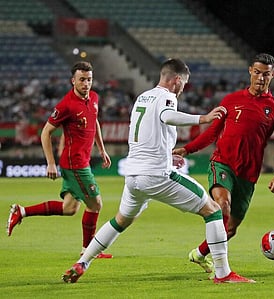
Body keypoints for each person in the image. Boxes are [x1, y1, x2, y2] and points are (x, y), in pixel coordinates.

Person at [62, 58, 254, 284]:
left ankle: (83, 261)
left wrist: (166, 154)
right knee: (213, 211)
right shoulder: (167, 97)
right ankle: (223, 274)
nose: (183, 88)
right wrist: (203, 118)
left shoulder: (143, 97)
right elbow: (167, 116)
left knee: (120, 220)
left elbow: (148, 132)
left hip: (133, 176)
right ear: (176, 80)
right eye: (184, 83)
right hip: (155, 175)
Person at [173, 53, 274, 275]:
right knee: (223, 205)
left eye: (266, 74)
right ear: (250, 71)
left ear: (272, 75)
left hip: (248, 174)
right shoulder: (231, 100)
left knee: (230, 229)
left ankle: (199, 254)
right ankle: (223, 271)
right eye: (257, 73)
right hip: (223, 163)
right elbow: (212, 132)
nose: (260, 78)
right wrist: (187, 149)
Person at [6, 61, 113, 258]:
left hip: (83, 161)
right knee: (96, 204)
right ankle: (88, 251)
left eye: (89, 79)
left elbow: (95, 120)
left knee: (69, 208)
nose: (86, 84)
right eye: (82, 80)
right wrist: (50, 163)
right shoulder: (66, 105)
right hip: (75, 164)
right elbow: (45, 133)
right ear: (73, 81)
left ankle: (21, 211)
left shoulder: (95, 98)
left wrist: (102, 149)